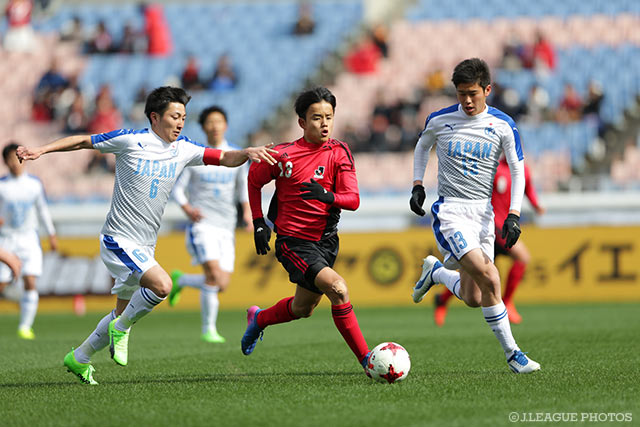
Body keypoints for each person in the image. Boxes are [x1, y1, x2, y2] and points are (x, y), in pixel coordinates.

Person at [16, 86, 276, 385]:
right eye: (175, 116)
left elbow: (226, 158)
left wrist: (247, 153)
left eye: (184, 117)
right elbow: (83, 142)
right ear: (155, 116)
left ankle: (80, 357)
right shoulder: (131, 140)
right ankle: (123, 329)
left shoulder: (183, 149)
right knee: (161, 286)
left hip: (145, 245)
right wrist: (42, 150)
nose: (180, 122)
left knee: (121, 310)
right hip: (118, 239)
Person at [409, 58, 540, 374]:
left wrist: (514, 214)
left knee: (473, 296)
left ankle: (436, 273)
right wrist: (417, 185)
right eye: (461, 94)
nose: (467, 100)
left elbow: (519, 169)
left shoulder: (503, 125)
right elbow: (421, 146)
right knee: (491, 276)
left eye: (473, 93)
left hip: (484, 213)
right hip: (451, 211)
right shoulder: (440, 120)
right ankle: (513, 354)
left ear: (487, 90)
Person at [242, 86, 373, 378]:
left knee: (303, 308)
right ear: (301, 122)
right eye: (316, 118)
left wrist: (328, 196)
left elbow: (353, 200)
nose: (324, 123)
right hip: (293, 242)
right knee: (338, 289)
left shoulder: (340, 152)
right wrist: (259, 222)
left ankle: (259, 319)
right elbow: (254, 180)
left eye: (329, 116)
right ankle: (368, 360)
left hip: (326, 241)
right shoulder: (282, 155)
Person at [168, 105, 252, 343]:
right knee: (214, 276)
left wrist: (247, 214)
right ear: (204, 127)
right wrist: (187, 209)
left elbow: (243, 189)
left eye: (219, 121)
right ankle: (209, 329)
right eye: (210, 122)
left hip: (226, 227)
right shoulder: (196, 156)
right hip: (202, 225)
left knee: (221, 283)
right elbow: (178, 189)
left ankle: (181, 280)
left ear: (226, 125)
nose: (215, 126)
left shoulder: (236, 155)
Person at [433, 156, 545, 326]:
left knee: (475, 284)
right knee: (520, 258)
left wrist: (536, 206)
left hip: (506, 227)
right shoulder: (493, 168)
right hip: (489, 227)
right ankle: (506, 302)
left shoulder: (523, 169)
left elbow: (527, 189)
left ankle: (442, 299)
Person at [0, 142, 57, 340]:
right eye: (10, 159)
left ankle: (25, 327)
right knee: (2, 284)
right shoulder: (2, 186)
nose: (15, 163)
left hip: (28, 238)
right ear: (5, 162)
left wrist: (51, 233)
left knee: (30, 280)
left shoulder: (34, 184)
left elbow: (42, 210)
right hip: (6, 239)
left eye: (18, 158)